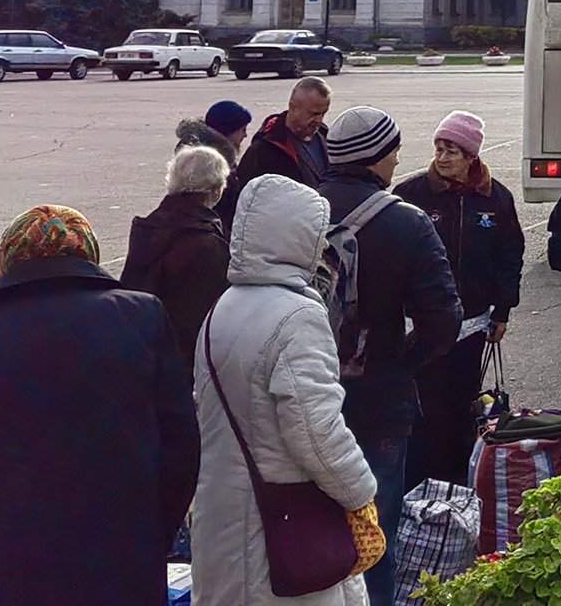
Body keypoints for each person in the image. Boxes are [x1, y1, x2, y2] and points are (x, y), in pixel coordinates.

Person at [0, 205, 200, 605]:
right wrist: (152, 531)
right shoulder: (140, 316)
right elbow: (181, 446)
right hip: (121, 555)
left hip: (10, 563)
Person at [191, 175, 384, 606]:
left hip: (221, 515)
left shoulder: (223, 308)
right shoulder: (297, 317)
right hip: (282, 526)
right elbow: (316, 430)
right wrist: (361, 492)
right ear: (297, 238)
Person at [317, 106, 462, 606]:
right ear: (377, 155)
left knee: (303, 523)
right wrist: (403, 360)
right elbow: (444, 320)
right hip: (376, 398)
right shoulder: (406, 222)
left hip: (299, 390)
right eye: (394, 150)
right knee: (372, 532)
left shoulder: (297, 210)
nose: (399, 161)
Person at [393, 111, 526, 487]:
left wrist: (503, 309)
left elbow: (510, 255)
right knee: (423, 405)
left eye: (452, 150)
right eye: (439, 148)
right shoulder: (412, 194)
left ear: (471, 156)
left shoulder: (495, 197)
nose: (443, 157)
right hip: (422, 324)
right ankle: (418, 480)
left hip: (473, 322)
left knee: (462, 402)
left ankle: (457, 479)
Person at [123, 145, 233, 374]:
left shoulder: (149, 227)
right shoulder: (206, 243)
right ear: (214, 189)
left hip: (142, 347)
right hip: (187, 361)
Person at [230, 77, 333, 214]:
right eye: (313, 114)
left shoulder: (326, 136)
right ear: (292, 107)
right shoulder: (264, 149)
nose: (319, 120)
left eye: (323, 114)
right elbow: (244, 202)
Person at [178, 99, 253, 224]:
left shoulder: (219, 155)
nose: (245, 135)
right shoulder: (210, 163)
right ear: (229, 131)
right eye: (243, 130)